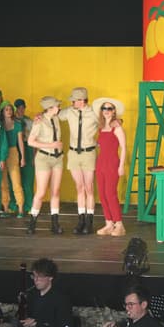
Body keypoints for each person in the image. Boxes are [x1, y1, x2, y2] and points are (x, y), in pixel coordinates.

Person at [59, 87, 99, 235]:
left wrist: (117, 121)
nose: (72, 103)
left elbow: (107, 121)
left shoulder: (94, 112)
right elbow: (54, 113)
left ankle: (89, 221)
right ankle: (81, 220)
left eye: (74, 100)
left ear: (82, 101)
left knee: (89, 187)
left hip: (88, 153)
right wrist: (40, 115)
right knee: (79, 187)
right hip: (74, 153)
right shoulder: (69, 112)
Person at [20, 258, 73, 327]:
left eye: (40, 277)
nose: (36, 280)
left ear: (50, 277)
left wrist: (37, 324)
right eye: (34, 276)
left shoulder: (61, 299)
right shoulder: (32, 294)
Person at [27, 97, 64, 235]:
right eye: (57, 106)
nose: (59, 108)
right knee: (41, 192)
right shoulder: (39, 121)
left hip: (58, 158)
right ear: (50, 108)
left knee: (55, 191)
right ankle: (32, 222)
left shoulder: (56, 119)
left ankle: (55, 223)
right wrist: (50, 145)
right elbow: (31, 141)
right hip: (44, 158)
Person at [93, 97, 126, 236]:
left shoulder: (117, 128)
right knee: (102, 194)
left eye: (109, 108)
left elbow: (123, 148)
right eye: (104, 108)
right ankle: (109, 223)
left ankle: (119, 225)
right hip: (101, 163)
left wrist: (121, 166)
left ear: (114, 111)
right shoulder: (101, 128)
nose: (106, 111)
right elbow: (101, 145)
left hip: (112, 163)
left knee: (110, 194)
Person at [0, 101, 25, 218]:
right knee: (3, 182)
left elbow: (20, 141)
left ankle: (20, 208)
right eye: (6, 109)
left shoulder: (17, 124)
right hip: (1, 153)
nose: (9, 111)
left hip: (13, 152)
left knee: (16, 181)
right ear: (2, 112)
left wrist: (23, 157)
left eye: (10, 109)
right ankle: (5, 208)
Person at [12, 98, 34, 213]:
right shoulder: (12, 121)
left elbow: (34, 139)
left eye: (22, 108)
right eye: (18, 108)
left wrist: (34, 156)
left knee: (28, 179)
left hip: (28, 148)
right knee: (14, 179)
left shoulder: (29, 121)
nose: (21, 110)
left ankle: (29, 205)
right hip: (15, 147)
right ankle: (14, 205)